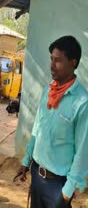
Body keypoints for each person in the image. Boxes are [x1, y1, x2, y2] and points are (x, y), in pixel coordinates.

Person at [17, 35, 88, 208]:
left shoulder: (82, 102)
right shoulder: (48, 91)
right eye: (51, 59)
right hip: (37, 176)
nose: (51, 65)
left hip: (58, 186)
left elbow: (83, 152)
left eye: (58, 60)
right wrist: (26, 161)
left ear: (73, 62)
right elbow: (37, 129)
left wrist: (67, 192)